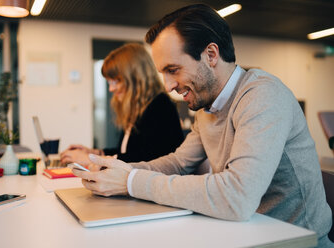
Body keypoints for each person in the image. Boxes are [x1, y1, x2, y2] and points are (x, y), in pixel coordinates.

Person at [72, 4, 333, 247]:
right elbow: (177, 163)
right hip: (245, 233)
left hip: (295, 240)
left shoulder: (263, 95)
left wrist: (131, 181)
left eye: (173, 70)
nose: (168, 86)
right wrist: (118, 171)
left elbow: (237, 197)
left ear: (210, 54)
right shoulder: (207, 106)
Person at [60, 43, 184, 165]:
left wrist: (91, 159)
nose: (111, 89)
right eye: (109, 82)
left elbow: (147, 159)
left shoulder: (160, 106)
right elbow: (126, 152)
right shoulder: (137, 108)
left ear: (136, 77)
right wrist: (96, 153)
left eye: (116, 81)